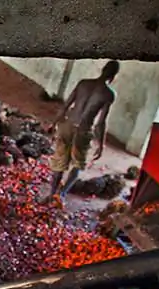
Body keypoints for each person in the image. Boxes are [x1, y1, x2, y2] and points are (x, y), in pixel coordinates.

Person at [46, 60, 120, 201]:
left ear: (102, 69)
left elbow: (65, 106)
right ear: (113, 76)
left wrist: (53, 123)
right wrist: (101, 144)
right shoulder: (108, 94)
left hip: (67, 125)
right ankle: (61, 195)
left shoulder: (83, 83)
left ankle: (51, 194)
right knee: (78, 165)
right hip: (83, 131)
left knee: (59, 162)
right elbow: (100, 123)